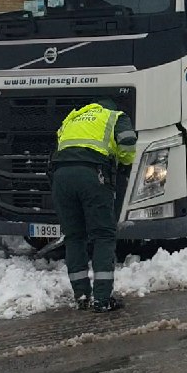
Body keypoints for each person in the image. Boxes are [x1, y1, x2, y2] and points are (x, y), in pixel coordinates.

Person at [51, 99, 136, 312]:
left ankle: (81, 296)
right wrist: (124, 165)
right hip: (92, 175)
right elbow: (127, 141)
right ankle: (102, 299)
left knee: (74, 237)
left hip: (60, 177)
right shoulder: (115, 117)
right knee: (103, 235)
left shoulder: (72, 117)